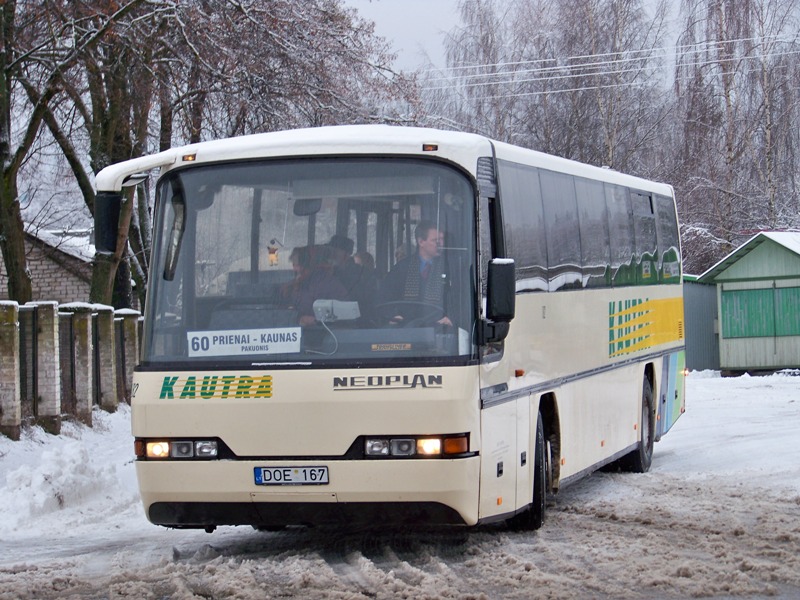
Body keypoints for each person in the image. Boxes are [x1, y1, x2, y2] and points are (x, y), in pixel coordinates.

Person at [380, 221, 453, 326]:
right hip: (405, 330)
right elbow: (384, 297)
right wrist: (393, 315)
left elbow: (458, 299)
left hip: (439, 329)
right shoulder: (401, 268)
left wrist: (450, 317)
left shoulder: (449, 268)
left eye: (442, 240)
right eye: (436, 240)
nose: (441, 244)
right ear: (421, 242)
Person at [281, 245, 347, 326]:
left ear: (308, 264)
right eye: (293, 265)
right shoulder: (293, 285)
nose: (294, 269)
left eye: (297, 265)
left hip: (324, 334)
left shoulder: (329, 284)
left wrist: (316, 321)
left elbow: (343, 315)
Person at [325, 234, 377, 324]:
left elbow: (367, 306)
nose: (331, 254)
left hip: (356, 329)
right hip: (326, 327)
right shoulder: (326, 273)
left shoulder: (363, 275)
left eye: (335, 251)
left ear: (347, 254)